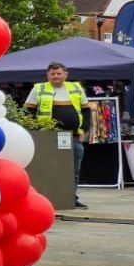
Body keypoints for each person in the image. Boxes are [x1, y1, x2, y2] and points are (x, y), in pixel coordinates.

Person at [25, 61, 89, 209]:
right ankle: (50, 198)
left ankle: (71, 197)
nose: (56, 76)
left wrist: (84, 130)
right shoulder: (38, 88)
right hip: (48, 137)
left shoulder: (76, 88)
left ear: (65, 75)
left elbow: (86, 110)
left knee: (73, 169)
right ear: (47, 75)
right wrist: (35, 131)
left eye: (59, 73)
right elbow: (29, 112)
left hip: (72, 136)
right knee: (51, 168)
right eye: (52, 74)